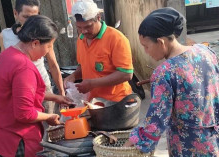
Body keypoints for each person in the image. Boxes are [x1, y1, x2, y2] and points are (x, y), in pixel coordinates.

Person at [124, 7, 219, 156]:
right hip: (213, 140)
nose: (146, 51)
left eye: (146, 46)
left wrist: (134, 141)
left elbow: (156, 121)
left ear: (161, 42)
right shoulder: (206, 52)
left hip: (187, 146)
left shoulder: (164, 72)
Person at [0, 15, 72, 157]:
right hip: (16, 138)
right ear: (35, 43)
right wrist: (49, 116)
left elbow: (21, 93)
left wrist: (56, 97)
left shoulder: (7, 54)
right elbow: (24, 113)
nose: (47, 52)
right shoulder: (24, 67)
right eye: (49, 46)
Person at [0, 0, 65, 114]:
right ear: (15, 13)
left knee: (48, 126)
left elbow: (53, 65)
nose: (31, 22)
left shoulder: (44, 34)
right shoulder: (5, 36)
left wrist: (62, 94)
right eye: (26, 17)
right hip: (20, 90)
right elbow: (3, 65)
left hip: (43, 88)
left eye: (35, 17)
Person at [64, 0, 133, 102]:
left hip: (117, 101)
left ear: (99, 18)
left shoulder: (116, 38)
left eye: (88, 26)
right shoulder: (81, 39)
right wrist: (73, 76)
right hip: (93, 101)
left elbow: (126, 74)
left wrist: (92, 83)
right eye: (79, 27)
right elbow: (83, 66)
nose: (83, 31)